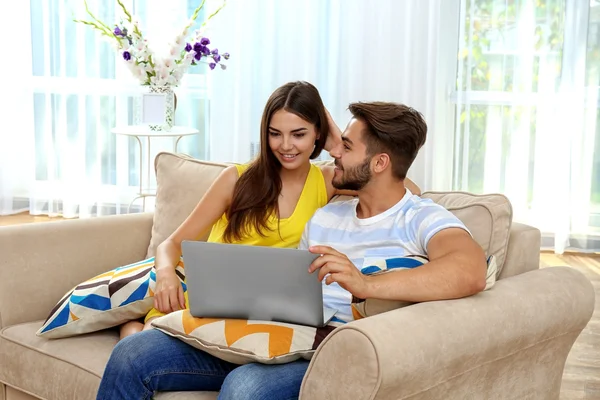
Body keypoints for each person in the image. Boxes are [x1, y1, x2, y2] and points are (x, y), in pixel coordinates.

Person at [97, 101, 487, 400]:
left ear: (380, 162)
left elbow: (469, 270)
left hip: (332, 347)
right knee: (132, 355)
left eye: (346, 147)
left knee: (245, 388)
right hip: (279, 333)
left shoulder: (420, 217)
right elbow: (292, 285)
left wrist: (366, 284)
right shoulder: (327, 216)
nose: (334, 152)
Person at [119, 81, 421, 339]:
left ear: (317, 133)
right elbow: (171, 243)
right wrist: (166, 273)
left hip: (264, 314)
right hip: (202, 301)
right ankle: (134, 328)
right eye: (275, 133)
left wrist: (336, 144)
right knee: (141, 349)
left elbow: (402, 186)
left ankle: (131, 330)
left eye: (299, 134)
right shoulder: (235, 179)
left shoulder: (328, 180)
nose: (285, 145)